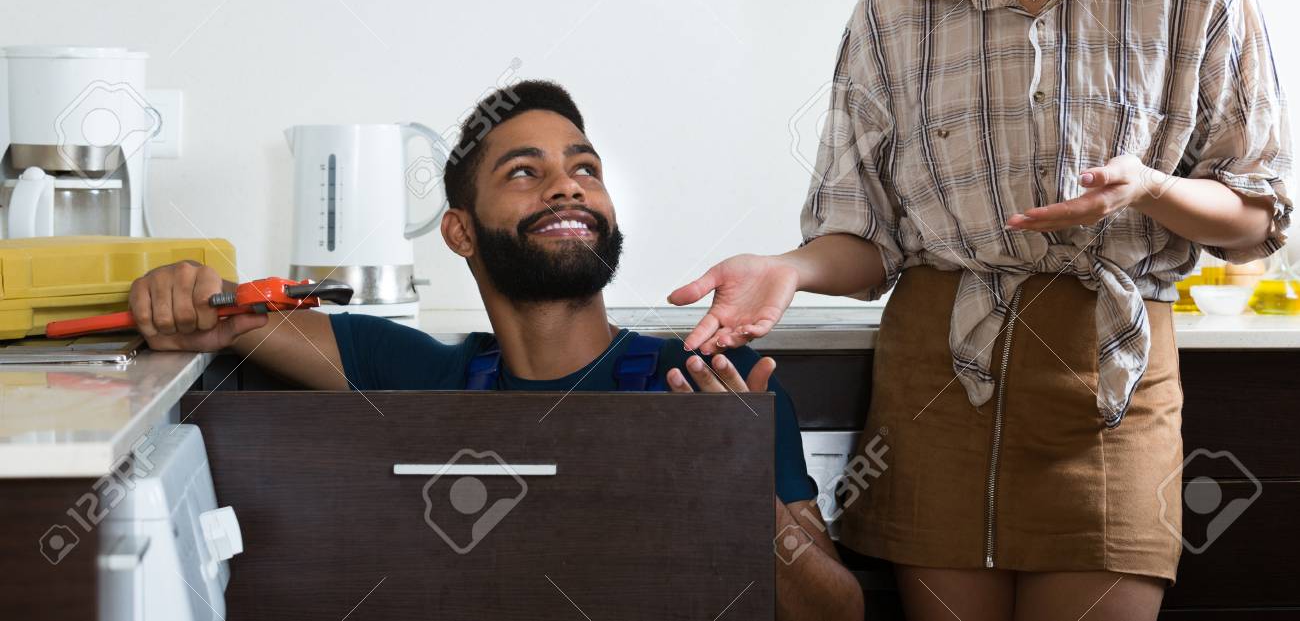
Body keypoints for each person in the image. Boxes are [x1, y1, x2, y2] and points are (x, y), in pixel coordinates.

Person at [669, 0, 1292, 621]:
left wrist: (1153, 191)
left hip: (1109, 386)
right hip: (937, 383)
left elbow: (1257, 220)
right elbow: (870, 239)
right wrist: (791, 268)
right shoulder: (893, 12)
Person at [131, 80, 863, 621]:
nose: (566, 187)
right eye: (524, 172)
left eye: (585, 169)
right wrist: (188, 290)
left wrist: (739, 482)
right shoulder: (431, 375)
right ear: (459, 232)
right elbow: (229, 319)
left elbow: (836, 614)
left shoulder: (709, 387)